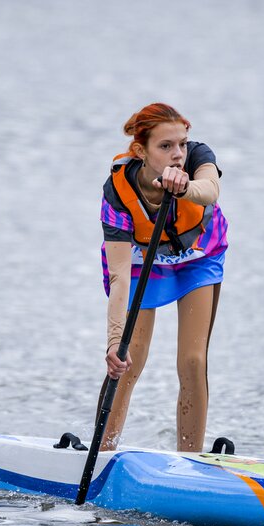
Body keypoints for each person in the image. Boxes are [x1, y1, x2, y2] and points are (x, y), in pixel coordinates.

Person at [99, 102, 228, 452]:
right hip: (144, 263)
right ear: (141, 150)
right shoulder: (118, 192)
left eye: (182, 144)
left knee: (192, 359)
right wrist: (113, 342)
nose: (178, 154)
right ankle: (103, 451)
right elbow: (120, 278)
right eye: (166, 146)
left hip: (199, 258)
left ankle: (190, 458)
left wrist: (183, 187)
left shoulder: (198, 156)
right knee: (129, 356)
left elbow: (210, 191)